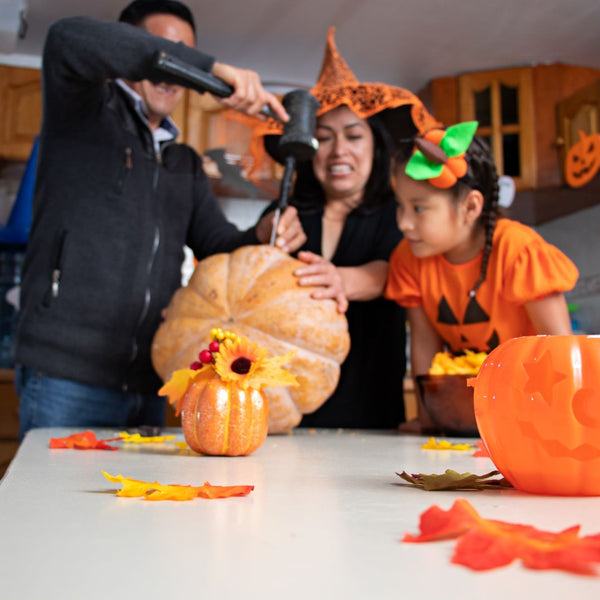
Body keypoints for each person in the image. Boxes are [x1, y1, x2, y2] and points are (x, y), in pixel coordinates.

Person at [14, 0, 307, 438]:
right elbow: (66, 38)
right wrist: (204, 66)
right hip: (65, 373)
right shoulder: (82, 113)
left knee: (138, 505)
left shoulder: (184, 163)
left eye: (185, 51)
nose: (173, 71)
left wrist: (263, 233)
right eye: (163, 51)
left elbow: (218, 247)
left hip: (153, 380)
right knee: (51, 507)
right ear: (130, 48)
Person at [251, 28, 439, 428]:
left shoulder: (397, 212)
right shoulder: (285, 211)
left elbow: (400, 270)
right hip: (281, 409)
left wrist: (341, 280)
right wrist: (261, 236)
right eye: (323, 138)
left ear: (375, 147)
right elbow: (247, 278)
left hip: (370, 402)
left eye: (354, 136)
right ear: (307, 152)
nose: (339, 151)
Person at [384, 121, 579, 431]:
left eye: (419, 209)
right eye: (400, 207)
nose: (403, 223)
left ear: (471, 207)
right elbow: (424, 342)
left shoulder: (518, 250)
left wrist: (561, 420)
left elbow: (559, 347)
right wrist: (427, 417)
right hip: (467, 411)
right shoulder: (408, 259)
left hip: (532, 408)